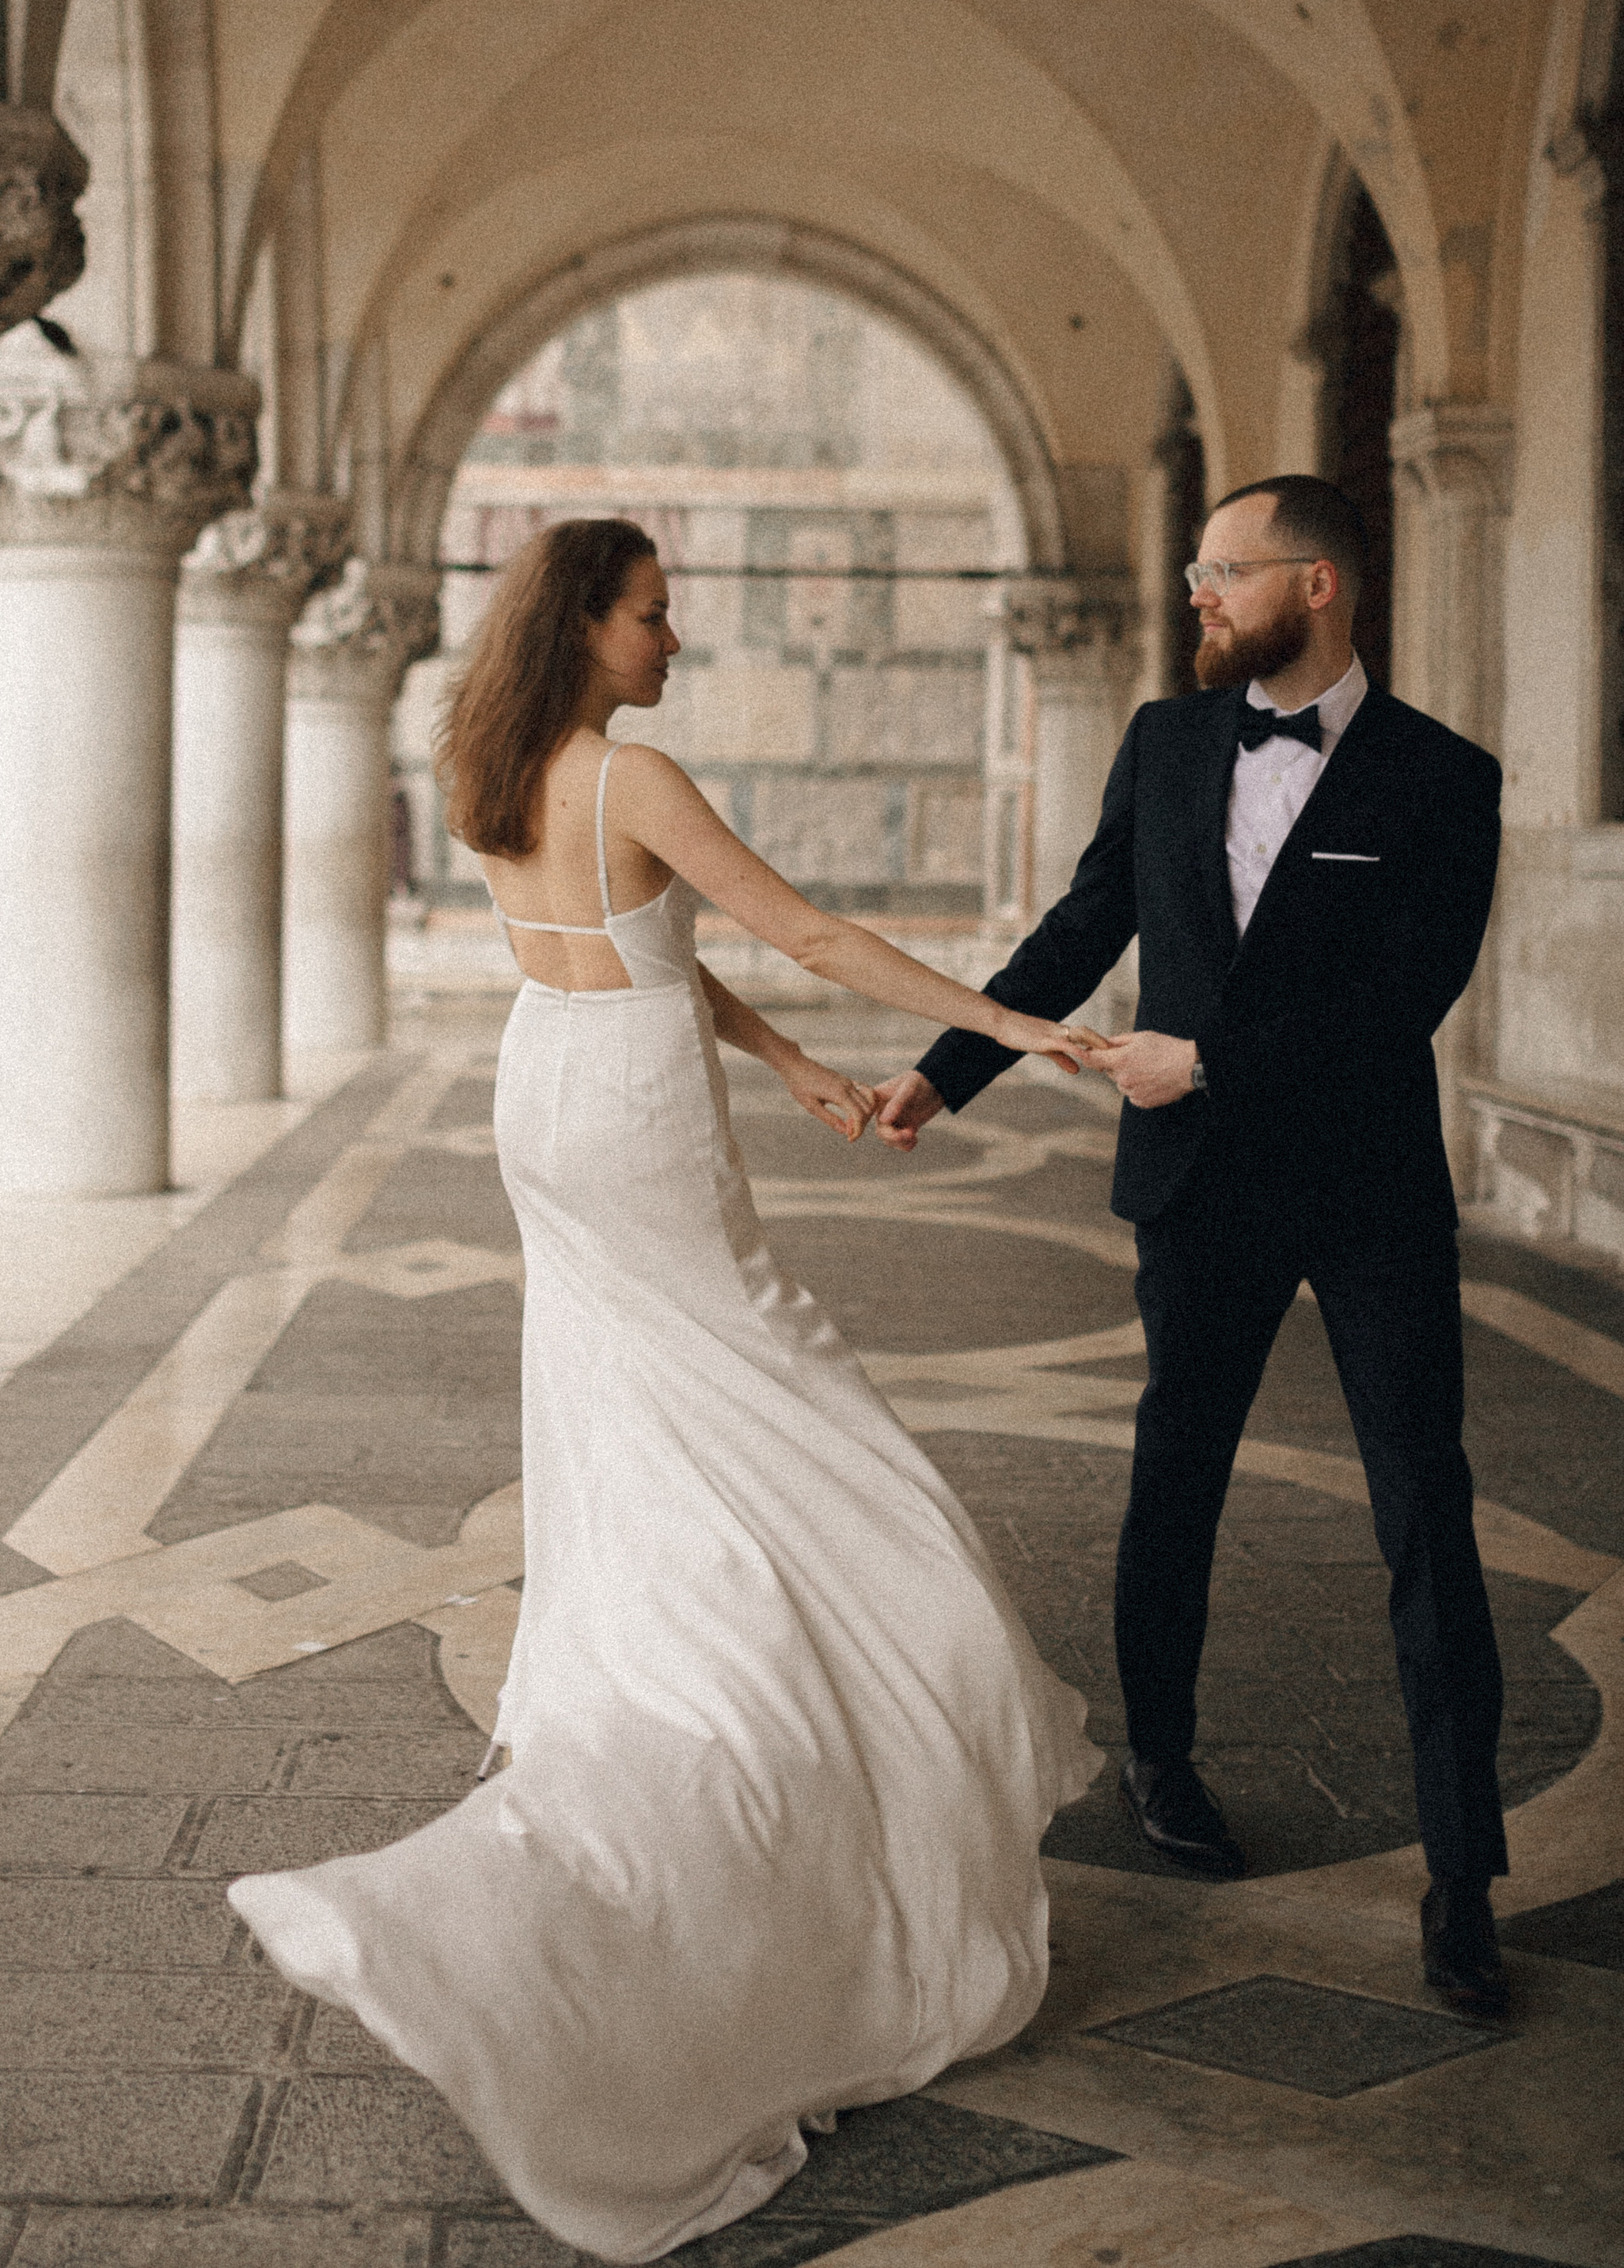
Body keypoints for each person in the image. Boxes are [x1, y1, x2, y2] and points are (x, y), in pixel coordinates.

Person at [229, 516, 1102, 2262]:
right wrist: (1024, 1031)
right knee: (808, 1422)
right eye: (649, 613)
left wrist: (779, 1058)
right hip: (624, 1115)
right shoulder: (631, 765)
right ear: (587, 626)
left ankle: (700, 1671)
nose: (673, 637)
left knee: (638, 1420)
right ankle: (711, 1820)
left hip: (550, 1083)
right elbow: (816, 925)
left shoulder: (499, 757)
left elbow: (652, 942)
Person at [873, 473, 1510, 2019]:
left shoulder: (1442, 774)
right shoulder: (1163, 744)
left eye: (1220, 571)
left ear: (1314, 585)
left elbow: (1399, 1000)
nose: (1191, 595)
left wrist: (1209, 1059)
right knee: (1175, 1473)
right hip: (1196, 1189)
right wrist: (944, 1067)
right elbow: (1087, 920)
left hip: (1362, 1189)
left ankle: (1461, 1872)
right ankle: (1159, 1755)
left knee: (1422, 1501)